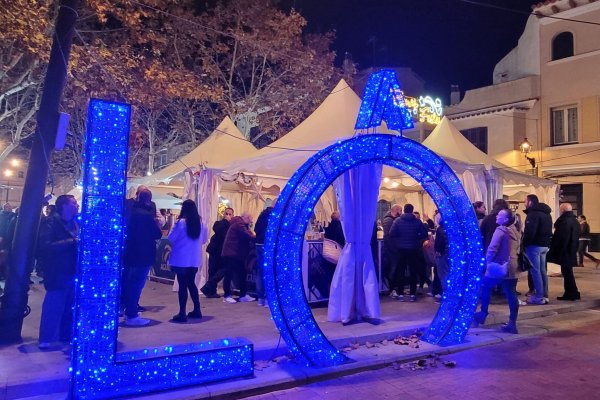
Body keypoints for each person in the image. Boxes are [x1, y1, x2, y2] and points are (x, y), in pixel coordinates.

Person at [37, 195, 79, 349]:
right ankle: (46, 337)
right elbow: (45, 246)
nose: (77, 205)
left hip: (72, 270)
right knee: (53, 304)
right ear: (64, 206)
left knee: (69, 305)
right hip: (57, 270)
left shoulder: (75, 223)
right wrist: (72, 242)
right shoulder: (51, 222)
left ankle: (65, 335)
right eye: (74, 203)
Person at [474, 209, 521, 334]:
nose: (497, 217)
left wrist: (486, 262)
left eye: (500, 215)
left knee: (486, 287)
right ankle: (512, 323)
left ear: (505, 219)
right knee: (511, 293)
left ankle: (483, 313)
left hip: (499, 265)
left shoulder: (500, 230)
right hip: (512, 265)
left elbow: (492, 248)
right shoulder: (516, 230)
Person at [121, 188, 162, 326]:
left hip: (130, 252)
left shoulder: (129, 212)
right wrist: (156, 224)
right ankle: (131, 314)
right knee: (136, 284)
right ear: (149, 200)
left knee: (128, 282)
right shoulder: (145, 215)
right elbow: (157, 234)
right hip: (143, 254)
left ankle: (124, 309)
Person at [168, 200, 208, 323]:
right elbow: (204, 240)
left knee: (183, 286)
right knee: (191, 284)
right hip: (194, 259)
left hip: (181, 259)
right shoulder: (201, 224)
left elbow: (171, 238)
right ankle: (197, 309)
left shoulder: (181, 223)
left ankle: (182, 313)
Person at [389, 204, 428, 302]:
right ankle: (412, 294)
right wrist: (417, 240)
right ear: (412, 210)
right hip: (413, 249)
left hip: (401, 249)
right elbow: (424, 234)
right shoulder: (417, 221)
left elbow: (391, 233)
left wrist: (399, 240)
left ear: (404, 210)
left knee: (400, 272)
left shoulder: (397, 221)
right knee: (413, 272)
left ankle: (401, 294)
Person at [522, 194, 553, 305]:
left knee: (535, 271)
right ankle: (545, 294)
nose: (524, 203)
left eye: (525, 201)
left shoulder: (533, 214)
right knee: (542, 271)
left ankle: (539, 296)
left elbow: (530, 232)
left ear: (530, 202)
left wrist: (524, 244)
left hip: (534, 246)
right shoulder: (547, 214)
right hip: (544, 245)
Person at [221, 212, 256, 304]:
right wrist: (256, 237)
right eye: (250, 219)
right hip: (231, 253)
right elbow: (247, 235)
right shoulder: (239, 224)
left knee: (242, 273)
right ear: (245, 217)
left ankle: (243, 295)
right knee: (229, 274)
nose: (251, 222)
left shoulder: (240, 224)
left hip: (236, 254)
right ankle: (227, 295)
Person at [548, 203, 581, 301]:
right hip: (571, 250)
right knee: (568, 272)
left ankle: (571, 293)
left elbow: (562, 238)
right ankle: (573, 292)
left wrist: (556, 250)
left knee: (567, 273)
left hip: (565, 251)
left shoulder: (565, 221)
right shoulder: (575, 221)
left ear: (562, 210)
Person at [200, 207, 234, 298]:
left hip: (223, 252)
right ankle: (211, 291)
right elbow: (218, 230)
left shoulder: (231, 226)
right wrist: (226, 221)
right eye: (226, 213)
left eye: (230, 214)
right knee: (212, 270)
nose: (228, 215)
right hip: (215, 250)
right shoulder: (219, 223)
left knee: (220, 271)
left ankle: (208, 288)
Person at [254, 200, 276, 307]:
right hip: (268, 245)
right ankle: (268, 298)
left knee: (261, 271)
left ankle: (260, 299)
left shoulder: (262, 214)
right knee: (269, 271)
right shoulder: (275, 216)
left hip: (259, 244)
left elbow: (255, 228)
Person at [382, 204, 402, 296]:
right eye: (400, 210)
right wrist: (393, 248)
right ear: (396, 210)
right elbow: (388, 237)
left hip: (393, 249)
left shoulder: (391, 220)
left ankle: (394, 288)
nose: (401, 213)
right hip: (391, 249)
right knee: (392, 269)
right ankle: (392, 289)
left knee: (394, 269)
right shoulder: (388, 220)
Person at [0, 203, 16, 281]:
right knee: (3, 256)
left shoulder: (13, 215)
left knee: (6, 257)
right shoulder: (2, 216)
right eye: (7, 207)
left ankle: (5, 273)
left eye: (10, 207)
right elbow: (2, 227)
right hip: (3, 239)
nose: (9, 208)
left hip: (9, 239)